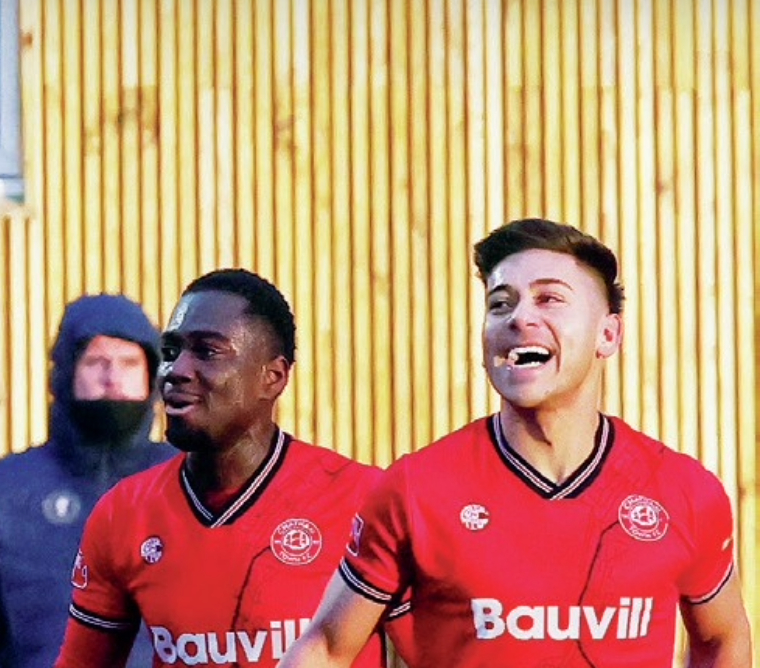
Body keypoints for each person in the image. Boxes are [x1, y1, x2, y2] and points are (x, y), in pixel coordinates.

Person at [278, 218, 754, 668]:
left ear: (608, 334)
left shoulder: (684, 490)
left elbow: (722, 638)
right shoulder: (415, 489)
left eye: (549, 300)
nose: (519, 317)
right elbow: (326, 646)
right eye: (500, 303)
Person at [54, 269, 399, 668]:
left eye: (207, 351)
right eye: (170, 352)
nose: (175, 371)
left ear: (273, 377)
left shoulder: (364, 498)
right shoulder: (124, 514)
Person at [0, 294, 174, 668]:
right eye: (97, 361)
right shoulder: (3, 492)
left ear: (153, 376)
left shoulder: (196, 485)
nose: (112, 377)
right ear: (65, 374)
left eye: (129, 363)